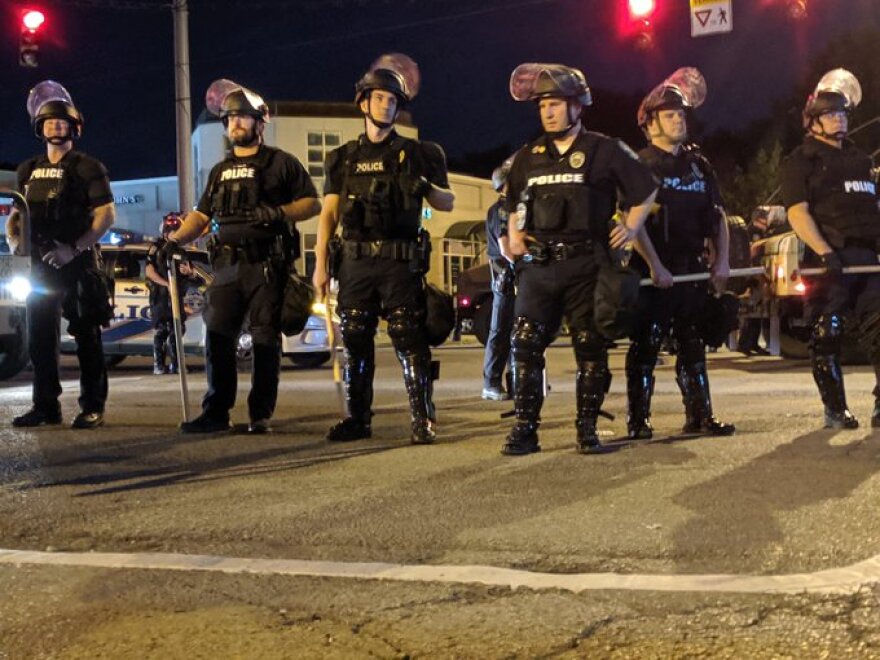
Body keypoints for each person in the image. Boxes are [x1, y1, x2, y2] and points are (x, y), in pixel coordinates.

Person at [502, 62, 658, 455]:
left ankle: (586, 427)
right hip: (539, 266)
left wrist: (632, 226)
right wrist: (514, 233)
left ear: (577, 106)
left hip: (587, 264)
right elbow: (511, 201)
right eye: (542, 105)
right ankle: (525, 429)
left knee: (590, 345)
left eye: (555, 103)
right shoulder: (528, 156)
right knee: (525, 343)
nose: (547, 111)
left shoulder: (605, 149)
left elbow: (646, 189)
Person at [162, 79, 320, 434]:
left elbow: (312, 202)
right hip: (226, 267)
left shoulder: (281, 163)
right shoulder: (219, 172)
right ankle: (216, 413)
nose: (235, 124)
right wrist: (173, 241)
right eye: (230, 118)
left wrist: (278, 213)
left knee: (265, 339)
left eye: (242, 117)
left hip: (267, 265)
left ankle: (259, 415)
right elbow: (201, 217)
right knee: (218, 338)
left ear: (259, 123)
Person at [312, 53, 455, 445]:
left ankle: (422, 419)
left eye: (393, 100)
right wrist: (320, 265)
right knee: (355, 339)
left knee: (409, 337)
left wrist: (423, 188)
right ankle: (358, 419)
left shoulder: (420, 153)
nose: (387, 105)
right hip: (356, 261)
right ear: (364, 103)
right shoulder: (342, 157)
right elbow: (328, 214)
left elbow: (448, 202)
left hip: (398, 260)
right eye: (379, 98)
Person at [626, 68, 735, 440]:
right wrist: (655, 265)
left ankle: (700, 416)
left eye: (681, 114)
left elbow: (718, 216)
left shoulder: (699, 167)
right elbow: (633, 223)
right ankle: (639, 421)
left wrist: (722, 261)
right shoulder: (639, 165)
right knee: (646, 345)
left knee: (693, 345)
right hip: (652, 272)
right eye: (670, 114)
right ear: (650, 123)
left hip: (691, 271)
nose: (678, 119)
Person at [7, 81, 115, 429]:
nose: (55, 125)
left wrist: (74, 248)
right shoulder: (27, 169)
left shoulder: (88, 166)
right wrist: (15, 245)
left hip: (77, 262)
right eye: (48, 121)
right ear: (39, 127)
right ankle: (45, 407)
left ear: (74, 127)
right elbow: (15, 216)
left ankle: (92, 406)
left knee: (87, 338)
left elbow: (106, 216)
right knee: (39, 338)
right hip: (39, 265)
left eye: (61, 121)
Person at [780, 68, 880, 429]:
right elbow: (797, 212)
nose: (839, 120)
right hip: (828, 260)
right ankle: (836, 409)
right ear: (813, 122)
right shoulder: (801, 160)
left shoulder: (861, 160)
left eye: (842, 114)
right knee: (827, 333)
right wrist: (824, 252)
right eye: (830, 115)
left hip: (867, 259)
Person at [481, 157, 516, 401]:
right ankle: (491, 383)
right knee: (500, 329)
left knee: (514, 330)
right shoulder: (502, 209)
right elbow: (505, 248)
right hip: (506, 273)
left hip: (508, 272)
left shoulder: (509, 207)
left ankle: (516, 381)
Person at [146, 212, 196, 375]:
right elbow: (149, 271)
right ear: (166, 232)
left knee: (177, 330)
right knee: (161, 332)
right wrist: (167, 284)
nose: (177, 234)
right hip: (161, 297)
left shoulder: (181, 251)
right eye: (175, 231)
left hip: (177, 297)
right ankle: (159, 365)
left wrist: (188, 272)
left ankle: (177, 365)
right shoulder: (156, 249)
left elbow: (190, 272)